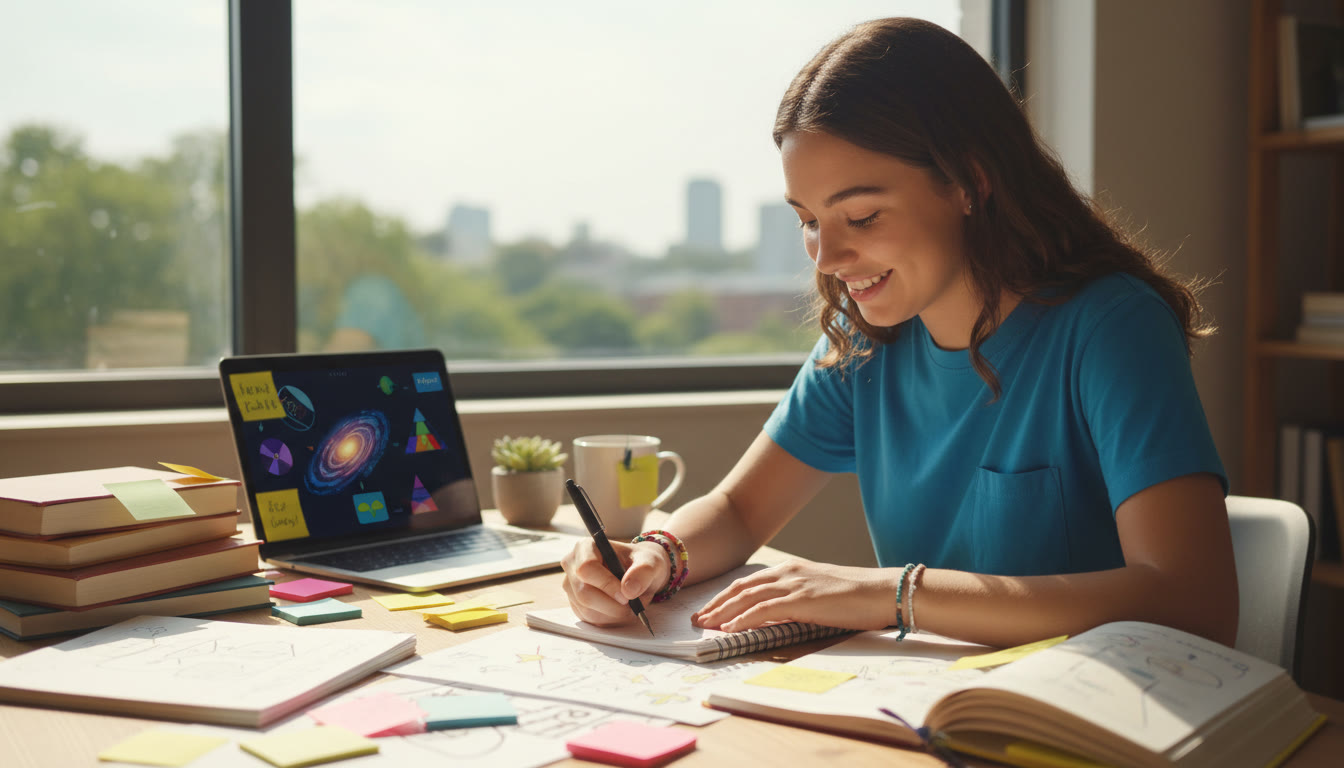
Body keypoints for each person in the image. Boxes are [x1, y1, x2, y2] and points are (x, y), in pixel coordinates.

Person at [560, 18, 1237, 649]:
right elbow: (738, 511)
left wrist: (892, 593)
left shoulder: (1110, 327)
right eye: (808, 220)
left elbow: (1194, 601)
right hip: (923, 711)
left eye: (861, 216)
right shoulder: (864, 345)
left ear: (970, 180)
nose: (825, 258)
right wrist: (656, 555)